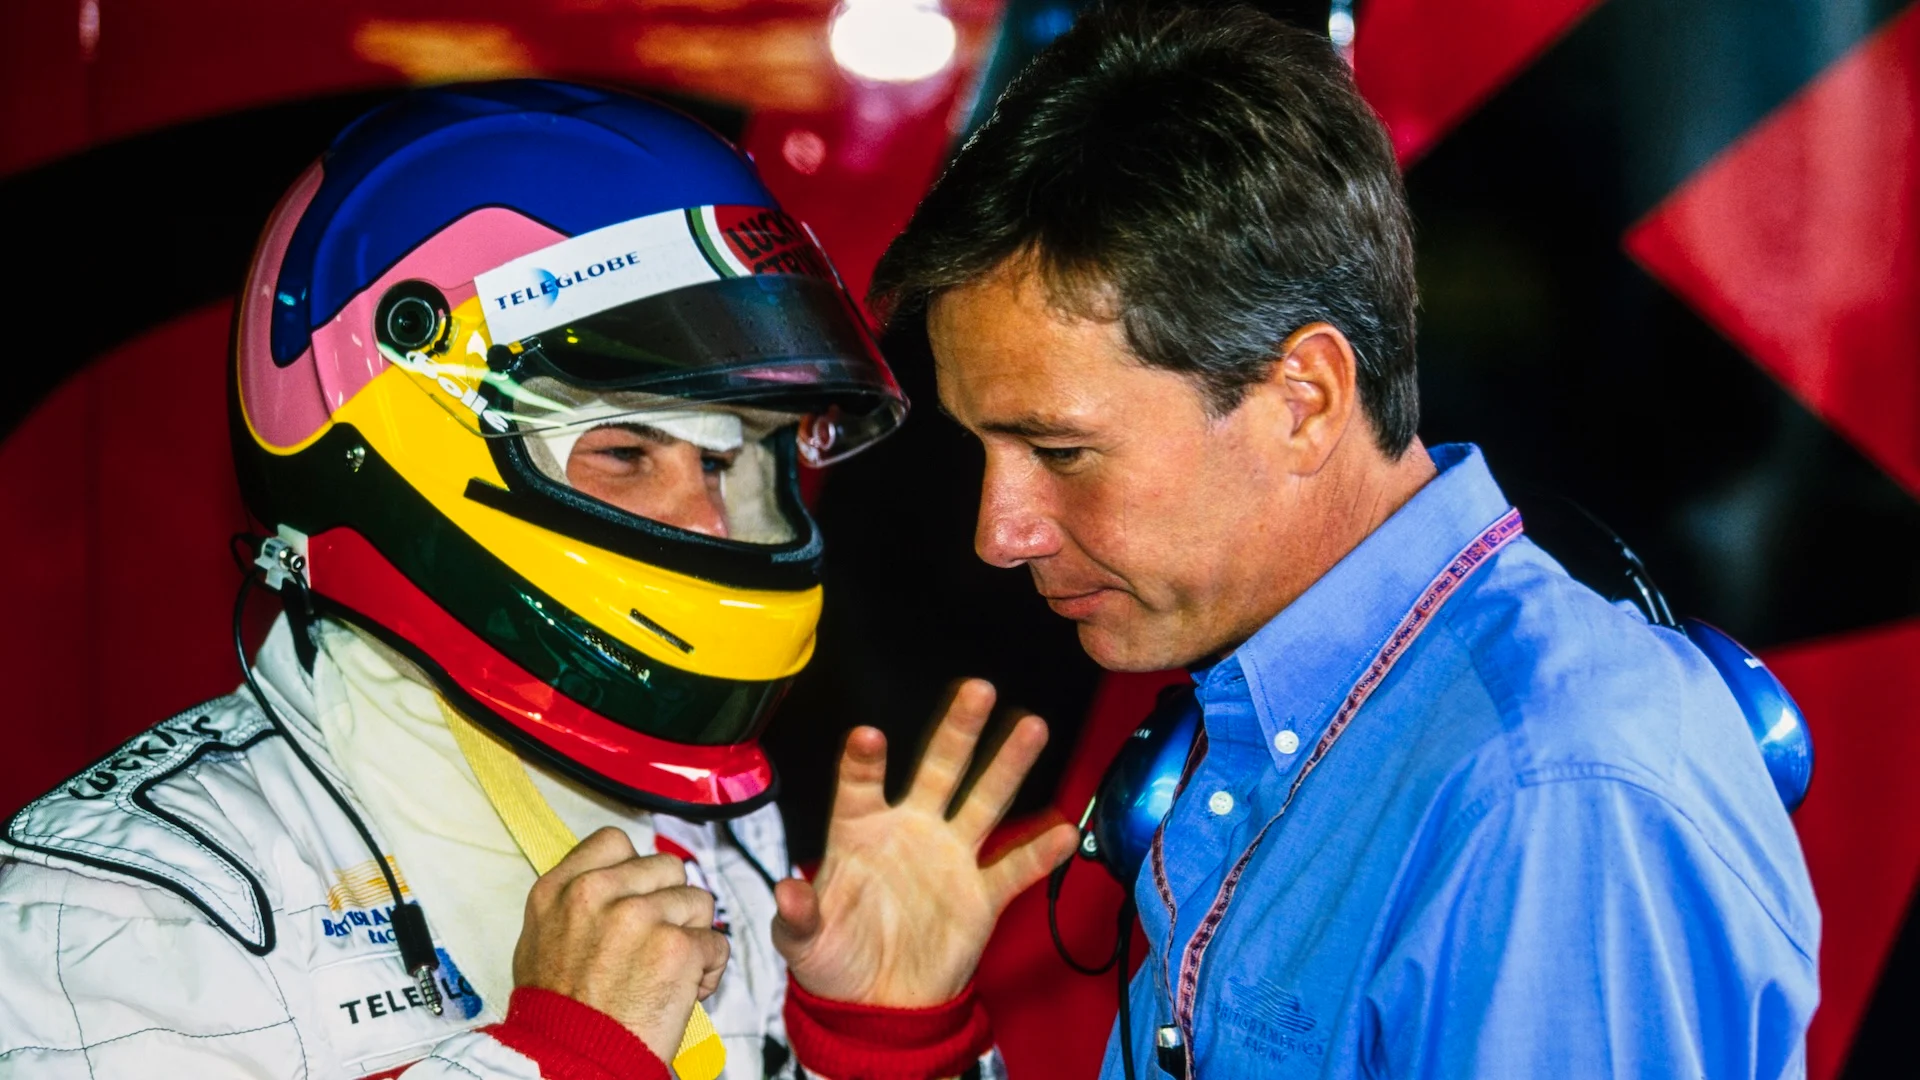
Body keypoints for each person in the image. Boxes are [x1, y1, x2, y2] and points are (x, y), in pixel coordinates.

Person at [0, 81, 1071, 1080]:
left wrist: (877, 1041)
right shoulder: (113, 911)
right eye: (625, 453)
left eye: (736, 459)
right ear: (392, 440)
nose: (707, 520)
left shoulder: (720, 835)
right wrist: (563, 1056)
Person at [866, 6, 1820, 1078]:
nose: (1001, 532)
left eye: (1062, 450)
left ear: (1305, 399)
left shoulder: (1548, 799)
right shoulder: (1322, 720)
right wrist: (902, 1040)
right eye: (983, 449)